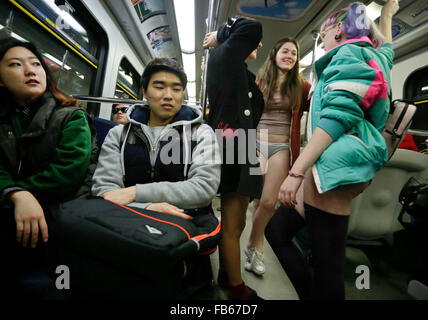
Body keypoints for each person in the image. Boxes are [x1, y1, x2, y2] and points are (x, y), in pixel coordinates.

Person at [265, 0, 399, 300]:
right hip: (336, 165)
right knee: (277, 232)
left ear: (339, 29)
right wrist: (388, 15)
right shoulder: (374, 56)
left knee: (329, 266)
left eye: (323, 33)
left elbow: (338, 117)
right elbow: (389, 48)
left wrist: (296, 171)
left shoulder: (349, 54)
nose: (322, 40)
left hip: (336, 163)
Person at [0, 38, 96, 295]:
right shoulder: (4, 122)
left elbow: (68, 173)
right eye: (16, 64)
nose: (30, 70)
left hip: (57, 216)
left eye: (36, 64)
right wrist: (17, 195)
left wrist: (16, 191)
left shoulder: (71, 117)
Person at [92, 58, 220, 220]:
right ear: (144, 92)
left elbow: (204, 188)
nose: (168, 96)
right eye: (159, 87)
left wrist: (134, 192)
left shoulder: (202, 133)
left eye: (176, 89)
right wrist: (148, 207)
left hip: (185, 221)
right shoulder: (118, 134)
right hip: (127, 220)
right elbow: (104, 190)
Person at [203, 16, 264, 299]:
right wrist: (221, 33)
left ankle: (227, 273)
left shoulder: (240, 71)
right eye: (254, 44)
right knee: (231, 219)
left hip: (244, 146)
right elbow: (251, 27)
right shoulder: (222, 55)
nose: (259, 44)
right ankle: (236, 289)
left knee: (240, 221)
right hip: (232, 145)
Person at [244, 37, 311, 276]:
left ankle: (254, 243)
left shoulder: (302, 87)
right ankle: (255, 244)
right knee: (256, 198)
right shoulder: (260, 82)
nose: (290, 56)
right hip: (256, 143)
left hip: (282, 146)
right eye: (285, 51)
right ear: (274, 54)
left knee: (270, 202)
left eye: (294, 53)